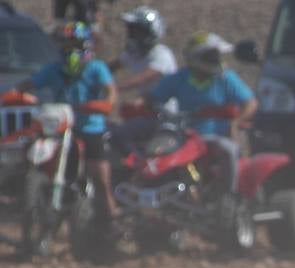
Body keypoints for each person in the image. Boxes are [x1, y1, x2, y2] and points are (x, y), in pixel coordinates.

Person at [17, 21, 118, 227]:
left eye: (75, 44)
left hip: (89, 128)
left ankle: (111, 218)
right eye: (65, 45)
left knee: (100, 176)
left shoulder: (96, 68)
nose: (70, 50)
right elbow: (27, 85)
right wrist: (18, 95)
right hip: (59, 127)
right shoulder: (53, 69)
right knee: (30, 149)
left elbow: (111, 94)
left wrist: (103, 104)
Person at [148, 32, 257, 192]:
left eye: (216, 55)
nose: (216, 60)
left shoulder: (226, 78)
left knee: (228, 150)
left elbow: (250, 103)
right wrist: (150, 107)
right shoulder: (179, 78)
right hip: (185, 136)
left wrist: (237, 121)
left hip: (216, 137)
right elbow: (154, 98)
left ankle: (229, 195)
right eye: (211, 56)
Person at [108, 6, 174, 154]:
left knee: (121, 134)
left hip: (164, 115)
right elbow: (110, 67)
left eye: (137, 31)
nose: (132, 35)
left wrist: (115, 88)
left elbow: (144, 77)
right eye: (132, 31)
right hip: (144, 111)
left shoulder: (161, 54)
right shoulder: (133, 54)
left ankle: (137, 165)